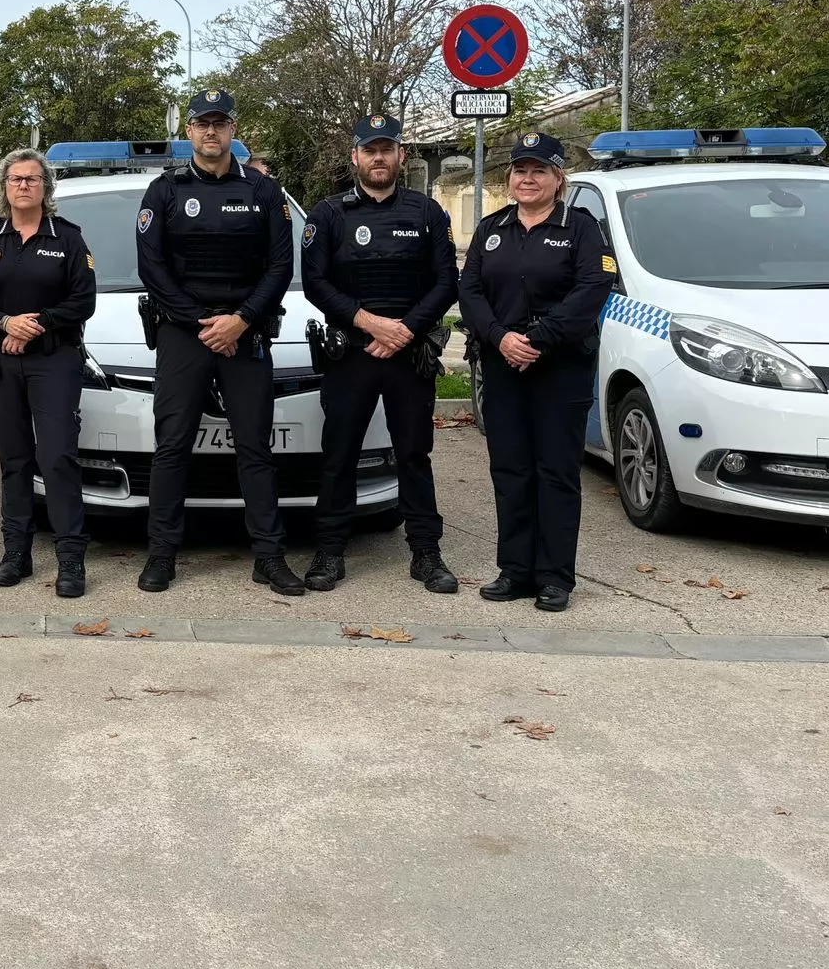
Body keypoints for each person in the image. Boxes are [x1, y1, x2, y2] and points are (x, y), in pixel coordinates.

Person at [133, 89, 304, 596]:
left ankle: (269, 557)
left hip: (246, 333)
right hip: (184, 334)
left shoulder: (263, 190)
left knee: (255, 448)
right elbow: (152, 268)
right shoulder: (163, 191)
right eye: (203, 124)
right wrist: (205, 324)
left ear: (233, 129)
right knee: (172, 448)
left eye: (220, 123)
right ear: (189, 132)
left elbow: (280, 264)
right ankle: (162, 555)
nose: (212, 132)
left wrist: (241, 320)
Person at [299, 114, 460, 593]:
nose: (378, 158)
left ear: (400, 156)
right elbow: (315, 284)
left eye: (387, 149)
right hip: (351, 352)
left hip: (408, 355)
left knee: (414, 453)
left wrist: (405, 330)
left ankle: (426, 553)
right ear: (356, 156)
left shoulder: (428, 213)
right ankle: (329, 552)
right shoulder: (328, 214)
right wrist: (370, 323)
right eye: (370, 150)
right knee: (339, 455)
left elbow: (445, 282)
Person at [457, 132, 612, 612]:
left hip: (560, 368)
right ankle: (515, 570)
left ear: (558, 179)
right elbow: (471, 290)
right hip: (503, 365)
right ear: (510, 179)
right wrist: (502, 338)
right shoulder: (491, 227)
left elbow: (593, 288)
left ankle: (554, 577)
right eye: (520, 170)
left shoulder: (582, 228)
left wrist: (538, 340)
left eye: (539, 170)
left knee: (556, 472)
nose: (528, 178)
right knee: (511, 469)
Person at [0, 149, 97, 598]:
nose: (23, 186)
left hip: (54, 359)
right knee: (13, 459)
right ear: (4, 187)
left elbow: (83, 301)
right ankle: (16, 553)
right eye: (16, 179)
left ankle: (71, 558)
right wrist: (4, 323)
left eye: (32, 179)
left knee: (57, 457)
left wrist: (34, 324)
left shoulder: (69, 239)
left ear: (46, 187)